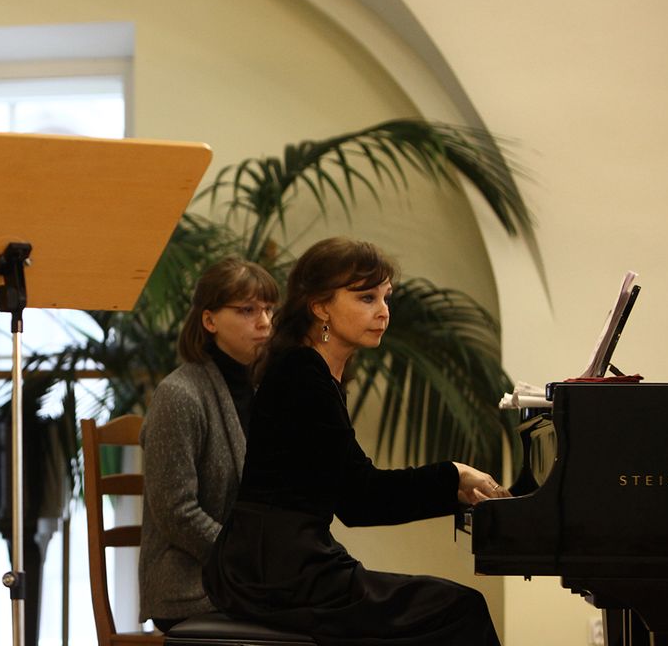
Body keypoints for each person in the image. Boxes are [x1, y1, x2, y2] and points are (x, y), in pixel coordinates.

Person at [203, 237, 507, 645]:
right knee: (460, 610)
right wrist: (453, 475)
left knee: (447, 608)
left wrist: (453, 488)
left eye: (386, 297)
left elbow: (351, 497)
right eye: (366, 297)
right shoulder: (302, 375)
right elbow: (361, 498)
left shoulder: (311, 370)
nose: (383, 311)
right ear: (320, 306)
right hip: (276, 570)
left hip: (278, 562)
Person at [139, 257, 280, 633]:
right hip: (189, 584)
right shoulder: (179, 394)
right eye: (247, 310)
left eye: (269, 309)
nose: (264, 322)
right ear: (210, 320)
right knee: (326, 617)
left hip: (249, 579)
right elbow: (177, 512)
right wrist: (249, 559)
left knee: (341, 604)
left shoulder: (265, 391)